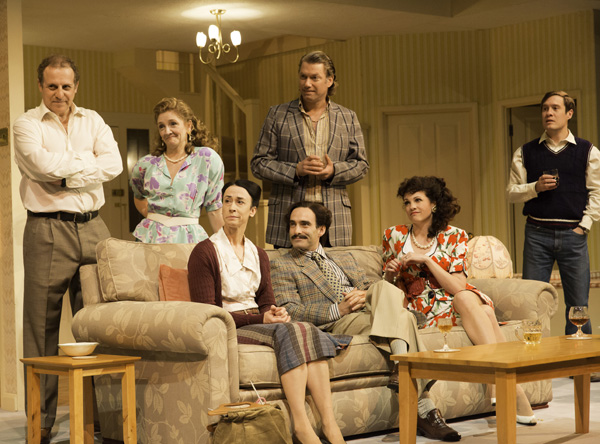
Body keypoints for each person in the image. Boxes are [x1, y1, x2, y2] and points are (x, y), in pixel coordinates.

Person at [271, 201, 461, 442]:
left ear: (321, 229)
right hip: (340, 320)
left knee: (382, 287)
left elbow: (373, 289)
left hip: (371, 310)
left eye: (304, 224)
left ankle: (401, 368)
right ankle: (424, 406)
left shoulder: (345, 258)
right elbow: (291, 310)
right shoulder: (282, 264)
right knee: (403, 317)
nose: (297, 230)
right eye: (293, 225)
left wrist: (365, 294)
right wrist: (338, 309)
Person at [13, 54, 123, 443]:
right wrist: (85, 166)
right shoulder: (27, 124)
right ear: (40, 86)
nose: (59, 93)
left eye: (66, 86)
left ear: (76, 86)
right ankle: (40, 421)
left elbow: (113, 164)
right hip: (47, 229)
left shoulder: (93, 120)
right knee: (40, 327)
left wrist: (66, 175)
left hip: (94, 227)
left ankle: (101, 418)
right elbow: (40, 166)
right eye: (52, 86)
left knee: (98, 324)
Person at [187, 180, 348, 444]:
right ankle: (301, 426)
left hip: (258, 322)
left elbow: (266, 302)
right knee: (293, 330)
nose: (232, 207)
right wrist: (261, 318)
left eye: (240, 202)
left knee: (305, 327)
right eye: (227, 201)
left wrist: (275, 313)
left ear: (252, 210)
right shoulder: (205, 251)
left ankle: (330, 425)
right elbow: (209, 312)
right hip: (228, 325)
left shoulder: (258, 254)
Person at [383, 176, 537, 426]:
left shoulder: (455, 236)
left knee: (466, 297)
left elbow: (458, 286)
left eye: (418, 200)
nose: (411, 206)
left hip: (455, 299)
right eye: (407, 202)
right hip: (421, 308)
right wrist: (390, 272)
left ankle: (498, 383)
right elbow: (388, 287)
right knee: (485, 313)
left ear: (433, 204)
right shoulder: (394, 235)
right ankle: (513, 390)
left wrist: (428, 261)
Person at [251, 50, 369, 248]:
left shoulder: (347, 117)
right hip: (288, 218)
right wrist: (295, 170)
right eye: (303, 76)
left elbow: (361, 165)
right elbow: (258, 163)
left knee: (333, 270)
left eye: (314, 77)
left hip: (334, 222)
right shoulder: (277, 114)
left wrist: (334, 171)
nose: (307, 83)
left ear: (330, 80)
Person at [506, 91, 600, 336]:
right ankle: (533, 355)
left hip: (573, 234)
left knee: (578, 306)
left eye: (555, 108)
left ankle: (581, 358)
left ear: (569, 113)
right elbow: (511, 193)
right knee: (531, 302)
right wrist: (535, 187)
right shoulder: (525, 152)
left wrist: (584, 226)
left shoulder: (588, 151)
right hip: (537, 234)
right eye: (545, 108)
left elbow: (597, 192)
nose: (548, 113)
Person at [130, 97, 224, 243]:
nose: (167, 131)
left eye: (173, 124)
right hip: (150, 238)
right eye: (161, 126)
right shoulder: (145, 164)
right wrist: (155, 219)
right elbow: (138, 196)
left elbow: (214, 208)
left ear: (189, 126)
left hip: (188, 239)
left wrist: (226, 246)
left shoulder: (207, 159)